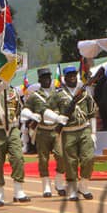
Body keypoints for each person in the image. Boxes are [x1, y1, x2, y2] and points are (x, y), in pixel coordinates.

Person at [0, 67, 30, 207]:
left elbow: (20, 109)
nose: (2, 77)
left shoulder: (14, 92)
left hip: (12, 129)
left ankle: (18, 191)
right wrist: (0, 87)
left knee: (18, 158)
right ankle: (0, 192)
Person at [51, 66, 97, 201]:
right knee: (70, 162)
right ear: (64, 78)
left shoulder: (84, 93)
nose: (72, 77)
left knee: (88, 158)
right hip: (68, 132)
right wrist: (58, 119)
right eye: (69, 75)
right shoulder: (58, 95)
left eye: (74, 75)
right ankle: (72, 188)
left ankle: (83, 186)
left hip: (84, 129)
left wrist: (94, 132)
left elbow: (92, 113)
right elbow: (50, 111)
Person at [22, 67, 64, 197]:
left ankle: (58, 181)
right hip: (42, 131)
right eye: (44, 77)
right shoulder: (34, 96)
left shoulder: (56, 94)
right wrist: (33, 116)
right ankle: (46, 186)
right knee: (43, 159)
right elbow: (25, 110)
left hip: (55, 130)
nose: (47, 80)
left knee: (61, 156)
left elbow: (63, 109)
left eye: (48, 77)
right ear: (39, 80)